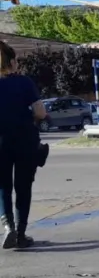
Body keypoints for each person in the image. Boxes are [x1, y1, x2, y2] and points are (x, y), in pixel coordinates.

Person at [0, 40, 47, 249]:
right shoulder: (24, 82)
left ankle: (7, 227)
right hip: (25, 139)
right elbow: (40, 112)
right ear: (11, 62)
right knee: (23, 187)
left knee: (3, 187)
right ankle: (20, 233)